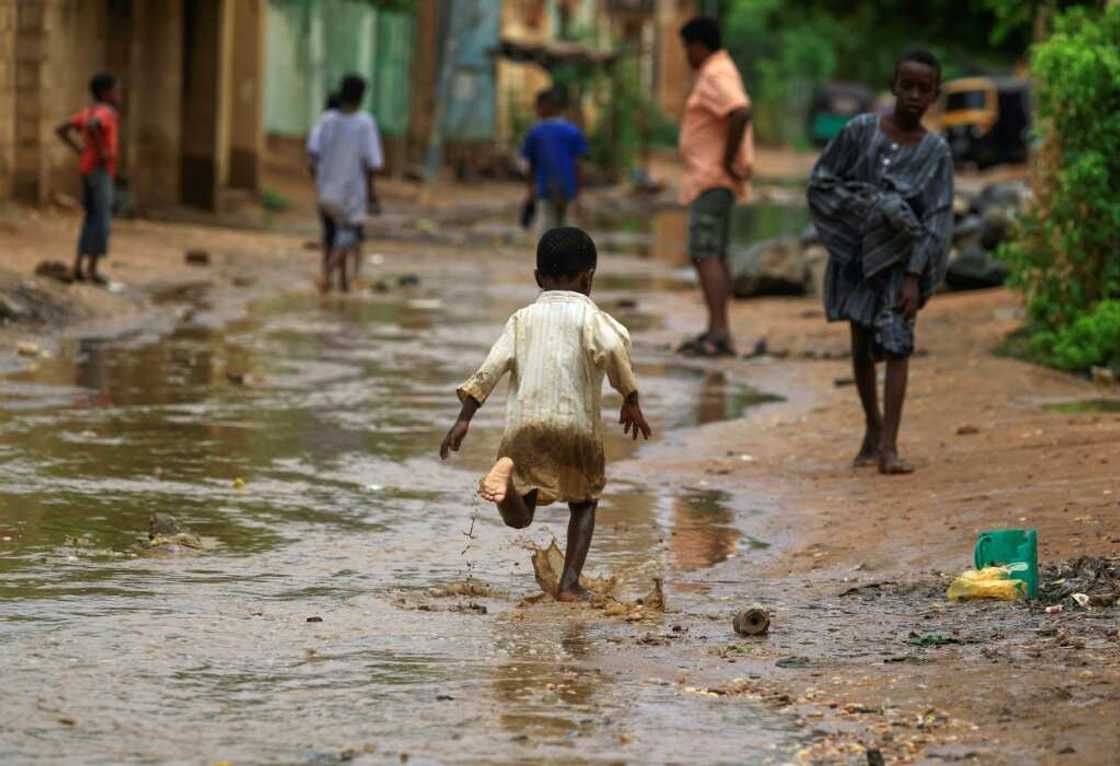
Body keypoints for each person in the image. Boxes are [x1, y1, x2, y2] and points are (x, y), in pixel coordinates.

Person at [439, 227, 651, 601]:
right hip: (576, 428)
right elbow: (615, 349)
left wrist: (464, 418)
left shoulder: (521, 320)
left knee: (520, 517)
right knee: (584, 502)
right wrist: (629, 396)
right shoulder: (591, 318)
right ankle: (569, 583)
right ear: (588, 278)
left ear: (538, 278)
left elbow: (491, 367)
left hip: (524, 429)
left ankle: (503, 482)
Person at [807, 49, 954, 475]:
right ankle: (872, 427)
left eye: (923, 89)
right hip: (855, 258)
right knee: (861, 346)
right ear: (893, 86)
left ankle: (889, 445)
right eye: (906, 86)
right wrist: (875, 209)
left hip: (902, 266)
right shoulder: (859, 132)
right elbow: (821, 183)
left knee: (897, 345)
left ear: (934, 95)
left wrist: (914, 275)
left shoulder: (936, 153)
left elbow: (937, 217)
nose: (913, 95)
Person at [676, 17, 753, 357]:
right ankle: (717, 327)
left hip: (712, 178)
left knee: (705, 252)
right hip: (712, 179)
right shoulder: (720, 70)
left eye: (686, 49)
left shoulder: (715, 73)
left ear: (698, 46)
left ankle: (720, 330)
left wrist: (725, 160)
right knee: (714, 252)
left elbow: (739, 112)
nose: (685, 57)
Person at [308, 74, 383, 292]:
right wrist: (372, 195)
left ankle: (339, 282)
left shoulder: (326, 120)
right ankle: (327, 276)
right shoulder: (365, 123)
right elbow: (371, 163)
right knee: (349, 238)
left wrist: (320, 181)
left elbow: (313, 154)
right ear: (362, 96)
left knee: (330, 237)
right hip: (351, 194)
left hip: (326, 192)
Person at [55, 72, 121, 286]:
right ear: (105, 92)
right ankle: (92, 270)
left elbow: (61, 129)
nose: (119, 94)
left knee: (90, 217)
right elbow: (94, 125)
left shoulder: (88, 110)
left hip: (87, 168)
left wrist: (80, 150)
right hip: (100, 170)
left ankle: (77, 266)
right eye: (115, 90)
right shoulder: (106, 112)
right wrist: (102, 151)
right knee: (102, 219)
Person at [521, 87, 588, 233]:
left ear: (547, 107)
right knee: (568, 228)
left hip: (545, 188)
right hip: (568, 188)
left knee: (548, 229)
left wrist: (530, 192)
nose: (536, 110)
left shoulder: (535, 132)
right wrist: (579, 194)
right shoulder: (572, 131)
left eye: (537, 106)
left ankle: (550, 255)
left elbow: (530, 165)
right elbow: (579, 165)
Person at [307, 92, 342, 277]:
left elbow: (312, 157)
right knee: (344, 233)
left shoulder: (319, 127)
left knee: (329, 232)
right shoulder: (352, 126)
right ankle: (335, 275)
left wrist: (318, 178)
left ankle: (326, 271)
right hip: (344, 188)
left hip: (325, 188)